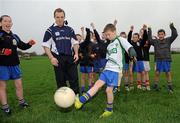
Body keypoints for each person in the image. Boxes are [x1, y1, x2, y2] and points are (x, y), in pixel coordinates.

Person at [75, 23, 136, 118]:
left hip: (115, 70)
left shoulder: (120, 39)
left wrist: (132, 54)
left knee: (108, 90)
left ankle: (109, 110)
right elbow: (108, 58)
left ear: (114, 31)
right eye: (106, 35)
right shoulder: (109, 45)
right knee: (97, 85)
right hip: (107, 69)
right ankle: (80, 101)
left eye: (109, 34)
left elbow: (130, 48)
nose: (107, 36)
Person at [0, 15, 36, 115]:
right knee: (2, 87)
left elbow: (23, 46)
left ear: (11, 23)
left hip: (15, 64)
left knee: (19, 85)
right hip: (2, 65)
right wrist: (2, 51)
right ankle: (5, 107)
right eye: (5, 21)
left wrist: (29, 44)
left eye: (9, 21)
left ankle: (22, 102)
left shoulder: (14, 36)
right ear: (1, 23)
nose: (8, 23)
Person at [42, 8, 79, 94]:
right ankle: (64, 100)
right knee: (61, 81)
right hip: (58, 58)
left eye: (62, 17)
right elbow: (46, 46)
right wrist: (51, 58)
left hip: (70, 57)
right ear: (54, 17)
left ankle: (76, 97)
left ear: (64, 17)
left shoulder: (70, 29)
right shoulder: (50, 30)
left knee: (74, 79)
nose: (60, 19)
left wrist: (76, 53)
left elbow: (75, 43)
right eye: (57, 17)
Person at [148, 23, 178, 93]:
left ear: (164, 35)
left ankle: (170, 86)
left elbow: (175, 35)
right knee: (157, 73)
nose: (161, 35)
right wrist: (149, 30)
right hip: (158, 60)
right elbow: (149, 39)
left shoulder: (168, 40)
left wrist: (172, 27)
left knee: (168, 72)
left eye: (162, 34)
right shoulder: (155, 41)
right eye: (159, 34)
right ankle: (155, 85)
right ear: (158, 35)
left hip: (166, 59)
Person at [128, 25, 147, 90]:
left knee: (143, 72)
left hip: (139, 60)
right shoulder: (130, 43)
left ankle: (143, 85)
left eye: (136, 37)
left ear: (138, 38)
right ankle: (131, 85)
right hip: (132, 60)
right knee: (131, 73)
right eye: (133, 37)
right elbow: (128, 38)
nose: (135, 38)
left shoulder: (140, 43)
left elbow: (144, 39)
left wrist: (145, 30)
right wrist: (131, 30)